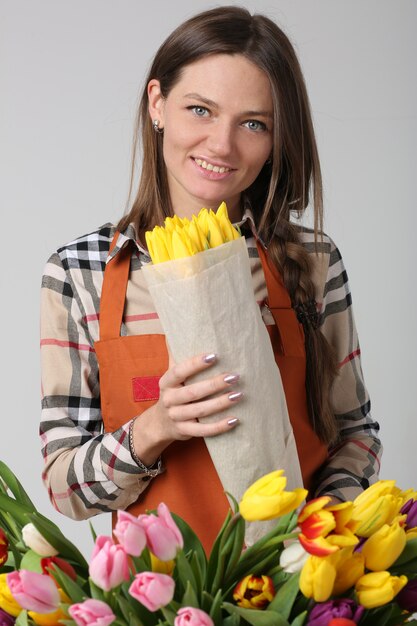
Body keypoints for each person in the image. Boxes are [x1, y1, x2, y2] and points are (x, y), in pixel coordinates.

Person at [40, 6, 381, 549]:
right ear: (157, 104)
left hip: (295, 594)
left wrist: (315, 539)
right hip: (156, 601)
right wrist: (155, 428)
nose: (222, 145)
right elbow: (65, 490)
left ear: (275, 140)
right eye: (200, 110)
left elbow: (355, 435)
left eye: (253, 123)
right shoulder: (80, 273)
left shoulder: (311, 262)